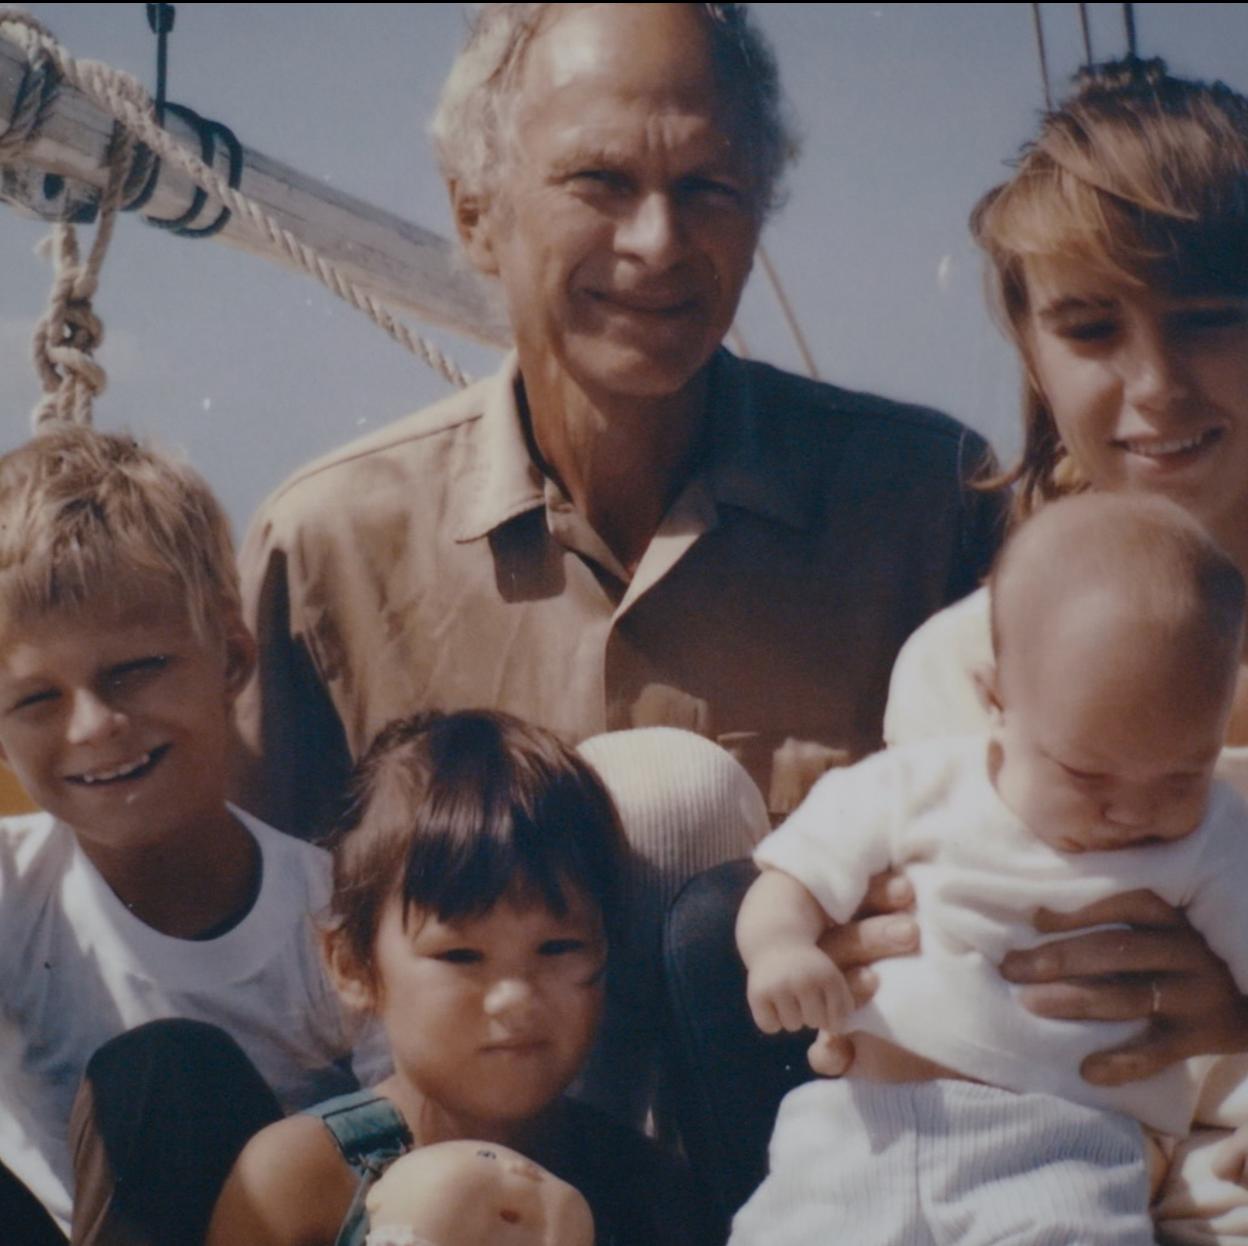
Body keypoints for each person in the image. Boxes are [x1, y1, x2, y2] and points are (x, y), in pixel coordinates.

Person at [233, 1, 1002, 845]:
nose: (659, 241)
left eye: (708, 188)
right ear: (476, 216)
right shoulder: (325, 557)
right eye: (601, 181)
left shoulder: (932, 513)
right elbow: (254, 941)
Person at [874, 56, 1248, 1245]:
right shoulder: (960, 671)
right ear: (1031, 348)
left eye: (1208, 320)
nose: (1153, 385)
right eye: (1091, 327)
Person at [733, 493, 1248, 1244]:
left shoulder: (1215, 835)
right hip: (858, 1123)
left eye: (1180, 776)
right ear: (995, 698)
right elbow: (792, 880)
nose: (1134, 812)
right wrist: (779, 948)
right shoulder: (916, 784)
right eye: (1089, 776)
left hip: (1067, 1144)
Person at [0, 425, 388, 1244]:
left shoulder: (337, 916)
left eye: (133, 670)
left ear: (233, 660)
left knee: (168, 1076)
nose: (95, 726)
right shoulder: (13, 890)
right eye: (37, 700)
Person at [207, 710, 721, 1246]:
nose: (515, 999)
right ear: (354, 966)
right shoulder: (299, 1181)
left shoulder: (650, 1194)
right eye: (460, 955)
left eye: (558, 947)